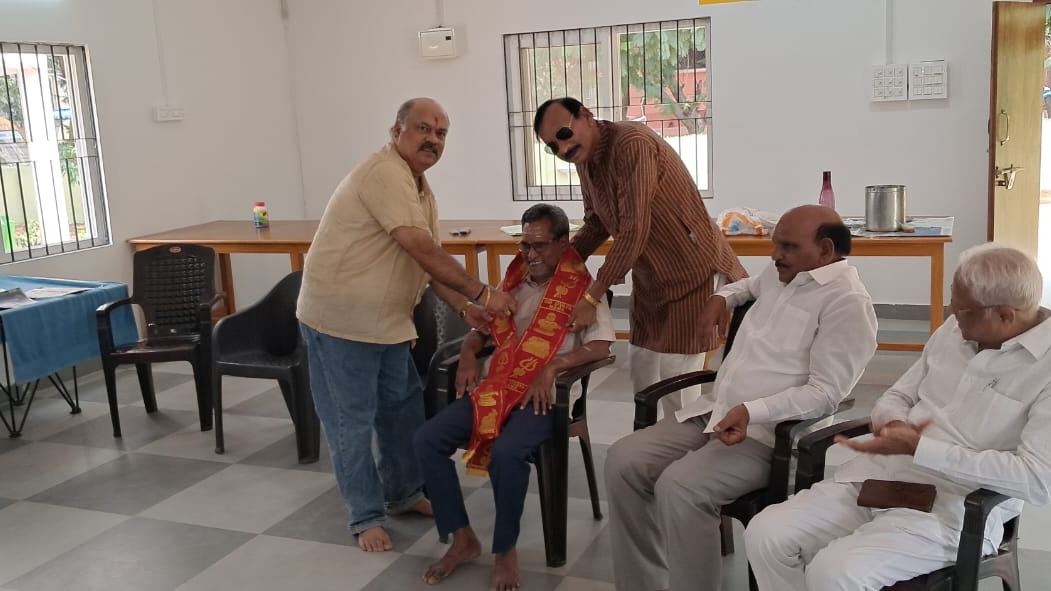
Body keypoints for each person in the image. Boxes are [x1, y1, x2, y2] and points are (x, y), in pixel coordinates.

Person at [744, 243, 1051, 591]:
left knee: (835, 572)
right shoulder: (957, 331)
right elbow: (898, 395)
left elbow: (1039, 481)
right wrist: (896, 425)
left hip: (955, 505)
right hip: (883, 479)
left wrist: (923, 449)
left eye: (961, 310)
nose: (951, 315)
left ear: (1005, 315)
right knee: (766, 535)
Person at [604, 205, 879, 591]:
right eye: (774, 244)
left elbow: (826, 394)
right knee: (623, 459)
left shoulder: (847, 303)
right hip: (715, 414)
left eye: (787, 246)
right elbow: (746, 286)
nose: (774, 255)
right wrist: (722, 297)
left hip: (769, 437)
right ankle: (641, 583)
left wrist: (753, 410)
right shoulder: (784, 273)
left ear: (825, 251)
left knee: (679, 486)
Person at [296, 97, 517, 553]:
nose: (433, 139)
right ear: (396, 132)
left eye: (441, 133)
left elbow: (429, 261)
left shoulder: (418, 187)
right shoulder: (385, 174)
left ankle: (404, 494)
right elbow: (419, 247)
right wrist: (482, 293)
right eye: (423, 129)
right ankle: (365, 515)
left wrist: (464, 310)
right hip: (342, 323)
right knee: (351, 423)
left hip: (388, 324)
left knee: (400, 413)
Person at [413, 204, 616, 591]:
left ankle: (505, 550)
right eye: (525, 246)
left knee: (507, 454)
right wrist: (470, 354)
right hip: (497, 389)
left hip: (544, 399)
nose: (531, 255)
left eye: (539, 246)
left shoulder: (583, 292)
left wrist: (554, 367)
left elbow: (602, 347)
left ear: (562, 243)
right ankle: (462, 538)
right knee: (426, 439)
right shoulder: (514, 282)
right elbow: (484, 330)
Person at [534, 97, 746, 412]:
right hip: (651, 279)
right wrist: (557, 261)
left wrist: (592, 297)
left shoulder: (632, 144)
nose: (562, 150)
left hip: (692, 271)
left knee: (676, 382)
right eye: (553, 147)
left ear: (587, 115)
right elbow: (596, 224)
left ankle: (682, 455)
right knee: (643, 374)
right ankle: (644, 453)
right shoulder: (585, 160)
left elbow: (634, 228)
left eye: (563, 135)